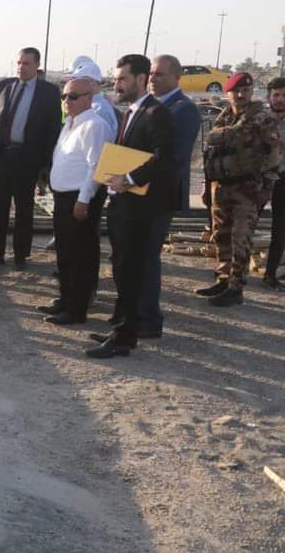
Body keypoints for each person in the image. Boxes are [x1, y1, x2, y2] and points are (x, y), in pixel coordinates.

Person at [87, 54, 174, 358]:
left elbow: (164, 158)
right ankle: (122, 329)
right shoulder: (132, 112)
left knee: (131, 272)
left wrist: (128, 178)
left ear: (141, 78)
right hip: (123, 206)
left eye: (122, 79)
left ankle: (123, 338)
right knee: (122, 270)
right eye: (116, 79)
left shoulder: (156, 113)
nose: (117, 85)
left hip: (140, 209)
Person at [196, 72, 283, 306]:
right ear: (228, 93)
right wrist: (206, 185)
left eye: (246, 90)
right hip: (221, 187)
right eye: (236, 91)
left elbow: (275, 153)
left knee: (241, 239)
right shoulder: (224, 117)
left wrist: (267, 186)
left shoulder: (262, 118)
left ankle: (236, 288)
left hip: (247, 188)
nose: (241, 95)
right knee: (221, 235)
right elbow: (211, 154)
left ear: (251, 92)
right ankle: (223, 279)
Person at [133, 54, 201, 337]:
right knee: (136, 257)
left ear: (176, 77)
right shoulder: (150, 105)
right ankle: (133, 315)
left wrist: (134, 173)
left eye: (159, 74)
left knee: (148, 258)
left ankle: (148, 321)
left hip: (159, 196)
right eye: (151, 73)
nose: (152, 78)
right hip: (138, 191)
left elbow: (173, 157)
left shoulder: (183, 109)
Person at [0, 47, 62, 270]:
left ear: (37, 65)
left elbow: (52, 130)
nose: (21, 67)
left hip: (28, 159)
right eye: (18, 63)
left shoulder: (49, 92)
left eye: (26, 63)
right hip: (2, 157)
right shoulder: (4, 86)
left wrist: (46, 164)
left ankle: (20, 255)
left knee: (24, 208)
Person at [39, 78, 107, 325]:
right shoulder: (70, 123)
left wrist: (83, 200)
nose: (67, 101)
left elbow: (95, 167)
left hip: (78, 198)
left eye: (73, 96)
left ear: (89, 98)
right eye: (64, 96)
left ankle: (77, 309)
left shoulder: (94, 126)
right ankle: (65, 299)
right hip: (63, 198)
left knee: (79, 256)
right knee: (65, 253)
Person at [263, 76, 285, 290]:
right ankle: (232, 274)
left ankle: (270, 275)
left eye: (284, 95)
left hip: (282, 180)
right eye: (276, 95)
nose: (280, 99)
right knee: (244, 226)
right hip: (257, 179)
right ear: (269, 97)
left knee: (280, 230)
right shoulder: (259, 119)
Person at [66, 55, 119, 142]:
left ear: (92, 83)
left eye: (76, 80)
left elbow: (96, 145)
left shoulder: (99, 110)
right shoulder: (91, 106)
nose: (72, 84)